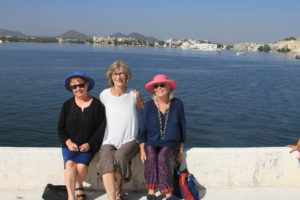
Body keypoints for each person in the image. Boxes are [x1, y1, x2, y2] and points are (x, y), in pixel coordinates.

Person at [97, 60, 144, 200]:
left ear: (127, 76)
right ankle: (113, 197)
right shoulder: (104, 95)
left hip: (130, 139)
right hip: (108, 139)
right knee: (106, 159)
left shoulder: (134, 94)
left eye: (122, 74)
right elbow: (97, 117)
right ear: (111, 77)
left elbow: (145, 113)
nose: (119, 77)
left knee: (119, 157)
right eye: (115, 74)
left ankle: (118, 190)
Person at [137, 74, 186, 200]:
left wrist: (180, 151)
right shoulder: (148, 106)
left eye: (162, 85)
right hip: (152, 141)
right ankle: (151, 190)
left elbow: (182, 128)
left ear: (169, 87)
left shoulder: (177, 104)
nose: (159, 88)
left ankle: (168, 193)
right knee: (152, 156)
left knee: (162, 157)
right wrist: (142, 149)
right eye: (156, 86)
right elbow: (142, 129)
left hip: (170, 143)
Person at [58, 72, 106, 200]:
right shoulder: (67, 105)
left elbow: (101, 128)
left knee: (81, 167)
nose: (78, 88)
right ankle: (71, 196)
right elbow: (61, 128)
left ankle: (79, 184)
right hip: (70, 145)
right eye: (74, 86)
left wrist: (89, 144)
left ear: (87, 85)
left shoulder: (97, 105)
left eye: (80, 85)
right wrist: (68, 143)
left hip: (88, 145)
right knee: (69, 164)